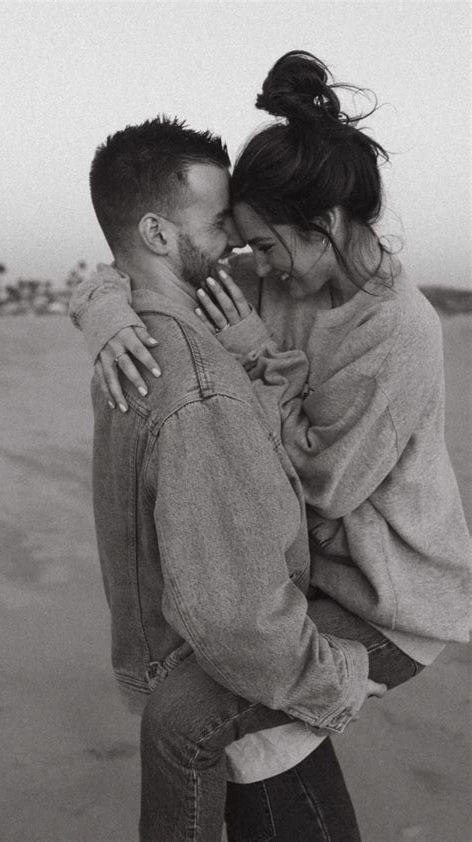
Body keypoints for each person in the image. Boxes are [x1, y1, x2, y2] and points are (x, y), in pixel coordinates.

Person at [71, 51, 470, 841]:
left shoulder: (397, 333)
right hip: (302, 574)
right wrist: (101, 312)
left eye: (265, 245)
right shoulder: (269, 275)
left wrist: (258, 364)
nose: (252, 263)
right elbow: (141, 270)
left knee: (205, 715)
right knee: (254, 729)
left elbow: (319, 485)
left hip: (388, 597)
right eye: (242, 240)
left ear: (322, 227)